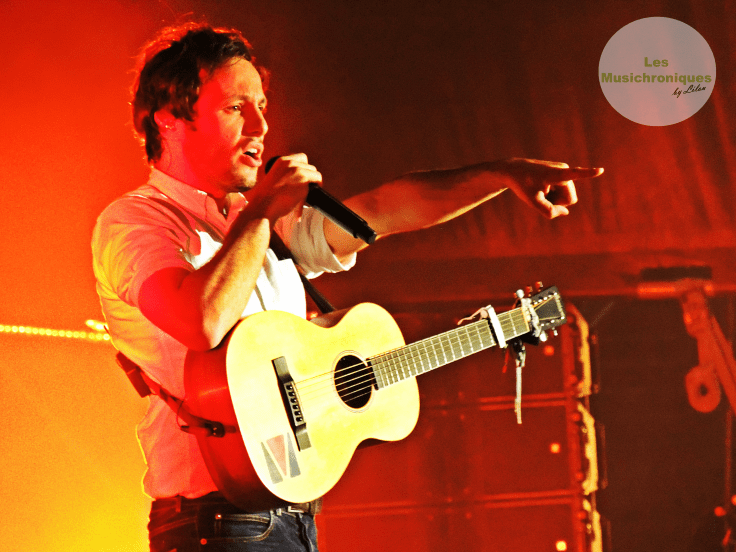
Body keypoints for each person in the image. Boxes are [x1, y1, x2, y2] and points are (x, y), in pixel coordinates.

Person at [91, 22, 603, 552]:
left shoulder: (261, 222)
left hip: (293, 517)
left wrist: (500, 175)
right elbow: (200, 322)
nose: (261, 126)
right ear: (169, 119)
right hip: (214, 524)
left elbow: (385, 209)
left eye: (262, 106)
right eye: (235, 108)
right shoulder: (135, 223)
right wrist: (261, 212)